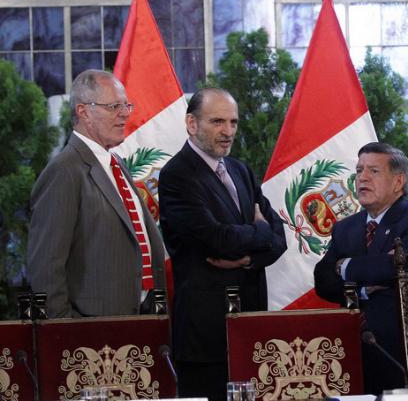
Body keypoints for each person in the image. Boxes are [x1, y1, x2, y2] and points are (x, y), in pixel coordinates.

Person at [158, 88, 286, 401]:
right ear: (192, 123)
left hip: (250, 327)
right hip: (206, 336)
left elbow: (279, 239)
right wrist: (258, 230)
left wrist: (247, 259)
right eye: (217, 122)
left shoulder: (241, 171)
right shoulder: (177, 175)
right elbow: (217, 240)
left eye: (233, 122)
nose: (228, 131)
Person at [26, 69, 166, 318]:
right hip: (93, 329)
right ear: (83, 112)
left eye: (126, 105)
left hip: (140, 318)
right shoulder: (64, 171)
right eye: (114, 106)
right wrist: (65, 328)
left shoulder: (115, 163)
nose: (125, 114)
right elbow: (46, 266)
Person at [314, 142, 408, 395]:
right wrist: (363, 289)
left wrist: (343, 266)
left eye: (373, 171)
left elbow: (398, 266)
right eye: (359, 170)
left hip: (400, 353)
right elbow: (322, 280)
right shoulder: (345, 228)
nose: (362, 178)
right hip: (352, 352)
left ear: (398, 181)